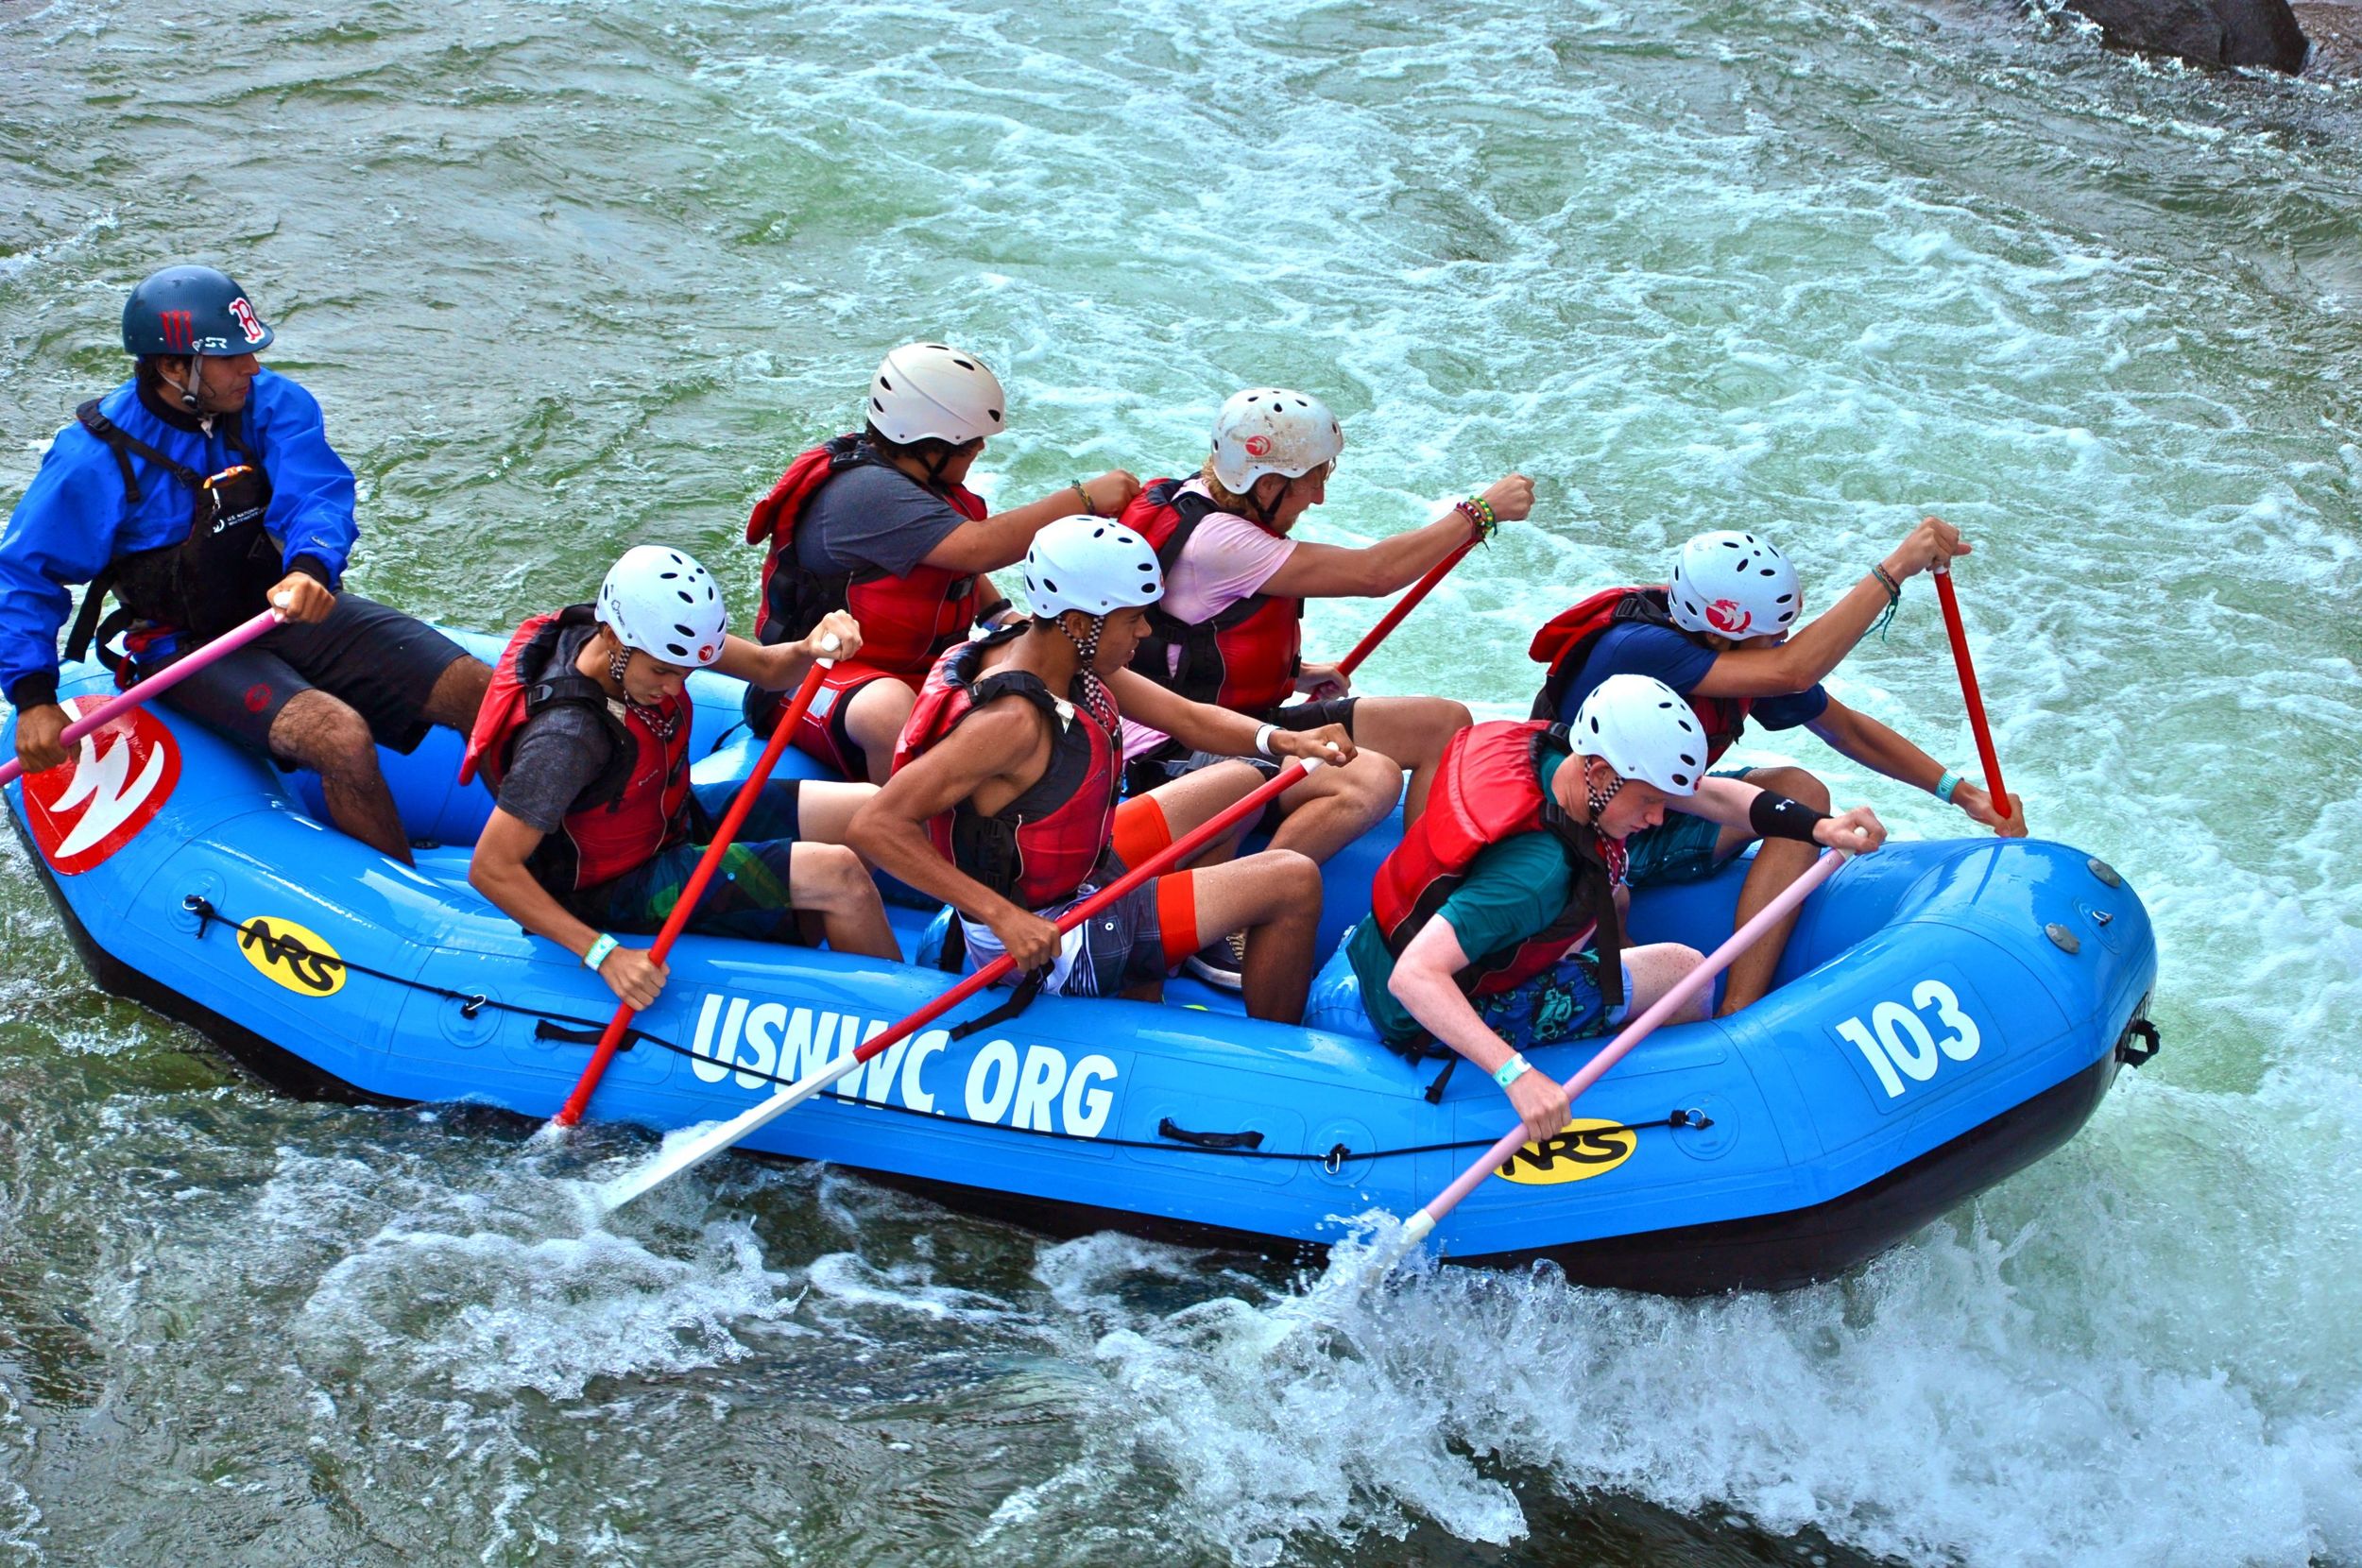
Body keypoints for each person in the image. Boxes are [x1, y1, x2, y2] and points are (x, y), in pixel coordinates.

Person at [0, 264, 489, 864]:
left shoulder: (272, 404)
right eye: (231, 358)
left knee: (484, 691)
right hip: (182, 648)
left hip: (280, 610)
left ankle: (550, 868)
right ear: (173, 367)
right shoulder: (93, 458)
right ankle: (403, 905)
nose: (251, 368)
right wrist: (32, 696)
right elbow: (25, 573)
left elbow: (317, 493)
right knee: (340, 737)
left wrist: (310, 566)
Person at [1305, 675, 1886, 1145]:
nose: (1659, 818)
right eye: (1651, 802)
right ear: (1604, 775)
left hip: (1361, 958)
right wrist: (1517, 1075)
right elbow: (1416, 977)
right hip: (1395, 1014)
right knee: (1684, 974)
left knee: (1614, 899)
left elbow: (1708, 795)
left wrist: (1819, 826)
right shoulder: (1531, 875)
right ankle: (1657, 1118)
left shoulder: (1555, 752)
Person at [850, 515, 1357, 1025]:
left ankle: (1160, 960)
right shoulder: (1010, 722)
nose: (1145, 630)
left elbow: (1184, 717)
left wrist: (1283, 740)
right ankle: (1280, 1053)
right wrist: (1003, 917)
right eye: (1132, 617)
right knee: (1292, 880)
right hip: (1055, 936)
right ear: (1076, 622)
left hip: (1083, 874)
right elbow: (877, 824)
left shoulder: (1055, 652)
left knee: (1241, 778)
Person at [1526, 521, 2022, 1017]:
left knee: (1799, 789)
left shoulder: (1731, 654)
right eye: (1773, 636)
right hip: (1578, 830)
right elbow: (1794, 670)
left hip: (1654, 812)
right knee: (1618, 941)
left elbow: (1846, 730)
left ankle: (1739, 1010)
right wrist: (1894, 571)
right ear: (1721, 635)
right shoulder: (1637, 649)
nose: (1782, 644)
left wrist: (1962, 794)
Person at [463, 548, 898, 1010]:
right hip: (615, 887)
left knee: (868, 809)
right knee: (840, 875)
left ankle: (802, 931)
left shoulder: (652, 637)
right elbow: (490, 869)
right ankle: (900, 1024)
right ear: (612, 637)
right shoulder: (567, 738)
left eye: (686, 672)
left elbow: (769, 669)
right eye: (662, 672)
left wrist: (810, 647)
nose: (675, 686)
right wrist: (603, 955)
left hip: (670, 823)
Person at [744, 342, 1142, 784]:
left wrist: (1000, 617)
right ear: (930, 444)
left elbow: (950, 571)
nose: (980, 450)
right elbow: (977, 548)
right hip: (808, 678)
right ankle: (892, 828)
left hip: (909, 670)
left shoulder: (914, 483)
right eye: (971, 444)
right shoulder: (867, 494)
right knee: (889, 708)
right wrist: (1082, 499)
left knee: (1041, 659)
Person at [1119, 387, 1513, 822]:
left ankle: (1418, 879)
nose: (1319, 497)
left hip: (1244, 724)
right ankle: (1275, 884)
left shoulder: (1209, 496)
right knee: (1370, 777)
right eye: (1312, 480)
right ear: (1266, 484)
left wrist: (1298, 673)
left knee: (1443, 723)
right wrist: (1477, 515)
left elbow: (1184, 637)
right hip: (1175, 753)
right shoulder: (1220, 542)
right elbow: (1374, 574)